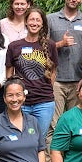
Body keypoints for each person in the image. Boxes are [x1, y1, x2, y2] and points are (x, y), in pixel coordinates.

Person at [46, 0, 82, 162]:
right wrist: (60, 43)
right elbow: (43, 48)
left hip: (80, 81)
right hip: (56, 81)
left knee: (77, 126)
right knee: (54, 125)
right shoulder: (51, 19)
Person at [5, 7, 58, 138]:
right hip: (21, 102)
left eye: (38, 20)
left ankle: (39, 159)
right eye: (31, 19)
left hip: (44, 102)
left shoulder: (50, 45)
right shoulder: (14, 46)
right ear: (26, 22)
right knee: (20, 137)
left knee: (39, 138)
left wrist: (45, 88)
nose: (34, 23)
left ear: (43, 24)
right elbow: (9, 73)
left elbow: (53, 72)